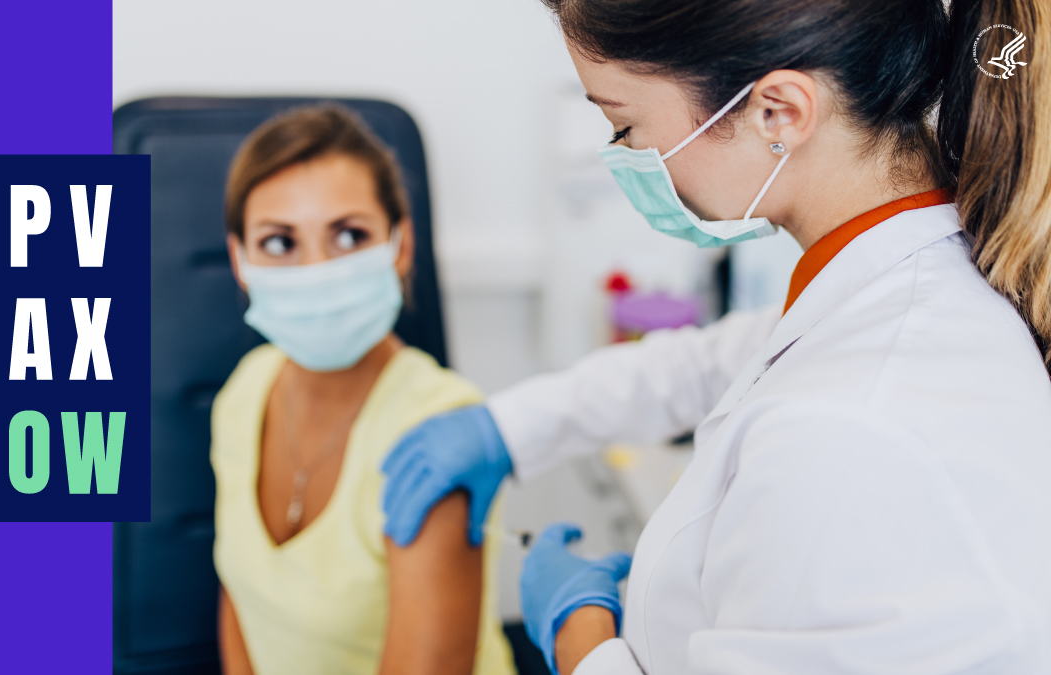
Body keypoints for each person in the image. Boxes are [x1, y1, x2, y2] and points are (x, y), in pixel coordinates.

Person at [381, 0, 1051, 673]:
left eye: (624, 124)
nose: (625, 156)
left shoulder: (853, 423)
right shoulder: (895, 280)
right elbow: (718, 360)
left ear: (778, 113)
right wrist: (508, 427)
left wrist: (579, 638)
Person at [210, 105, 515, 675]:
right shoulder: (246, 390)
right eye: (280, 243)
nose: (317, 269)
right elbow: (240, 597)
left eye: (349, 235)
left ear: (400, 245)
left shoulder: (438, 432)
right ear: (240, 261)